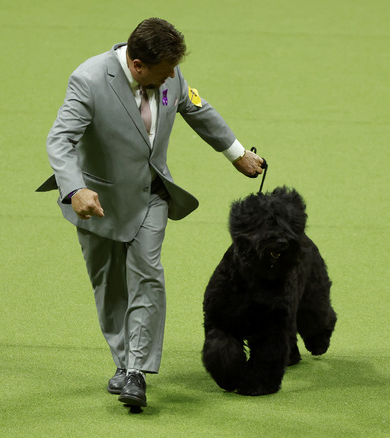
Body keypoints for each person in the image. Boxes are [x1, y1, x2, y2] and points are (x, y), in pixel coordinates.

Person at [37, 17, 264, 409]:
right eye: (165, 72)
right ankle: (124, 362)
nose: (173, 78)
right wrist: (74, 189)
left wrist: (237, 153)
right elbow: (60, 139)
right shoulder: (89, 80)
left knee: (148, 273)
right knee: (109, 287)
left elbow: (197, 108)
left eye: (175, 69)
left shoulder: (168, 76)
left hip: (153, 194)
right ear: (138, 66)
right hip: (99, 201)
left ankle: (137, 372)